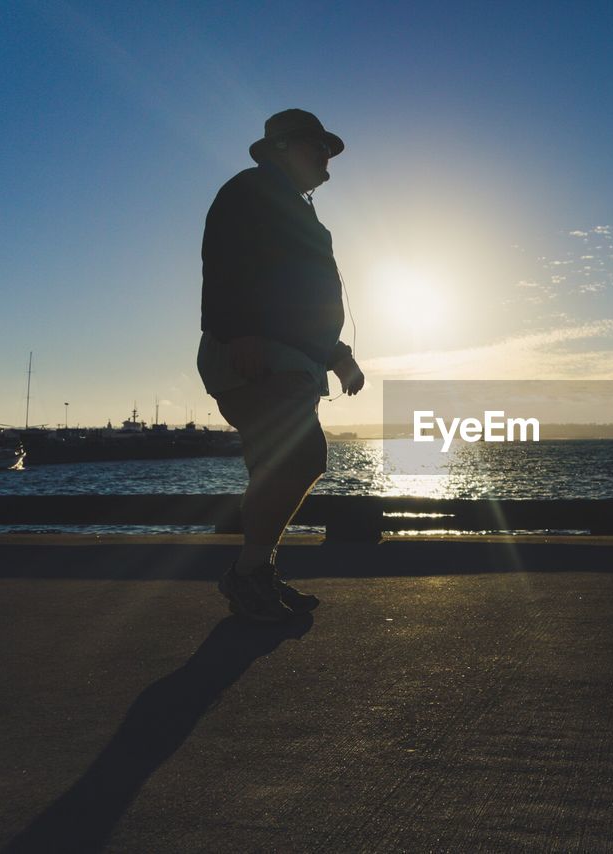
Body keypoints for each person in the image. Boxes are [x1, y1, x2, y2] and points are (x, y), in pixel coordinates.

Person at [198, 109, 365, 621]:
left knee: (274, 469)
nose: (326, 159)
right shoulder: (250, 191)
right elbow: (225, 261)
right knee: (301, 458)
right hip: (258, 354)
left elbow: (302, 302)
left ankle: (257, 576)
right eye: (317, 148)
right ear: (281, 147)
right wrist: (240, 331)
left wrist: (338, 355)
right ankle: (249, 575)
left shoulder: (297, 210)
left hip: (291, 360)